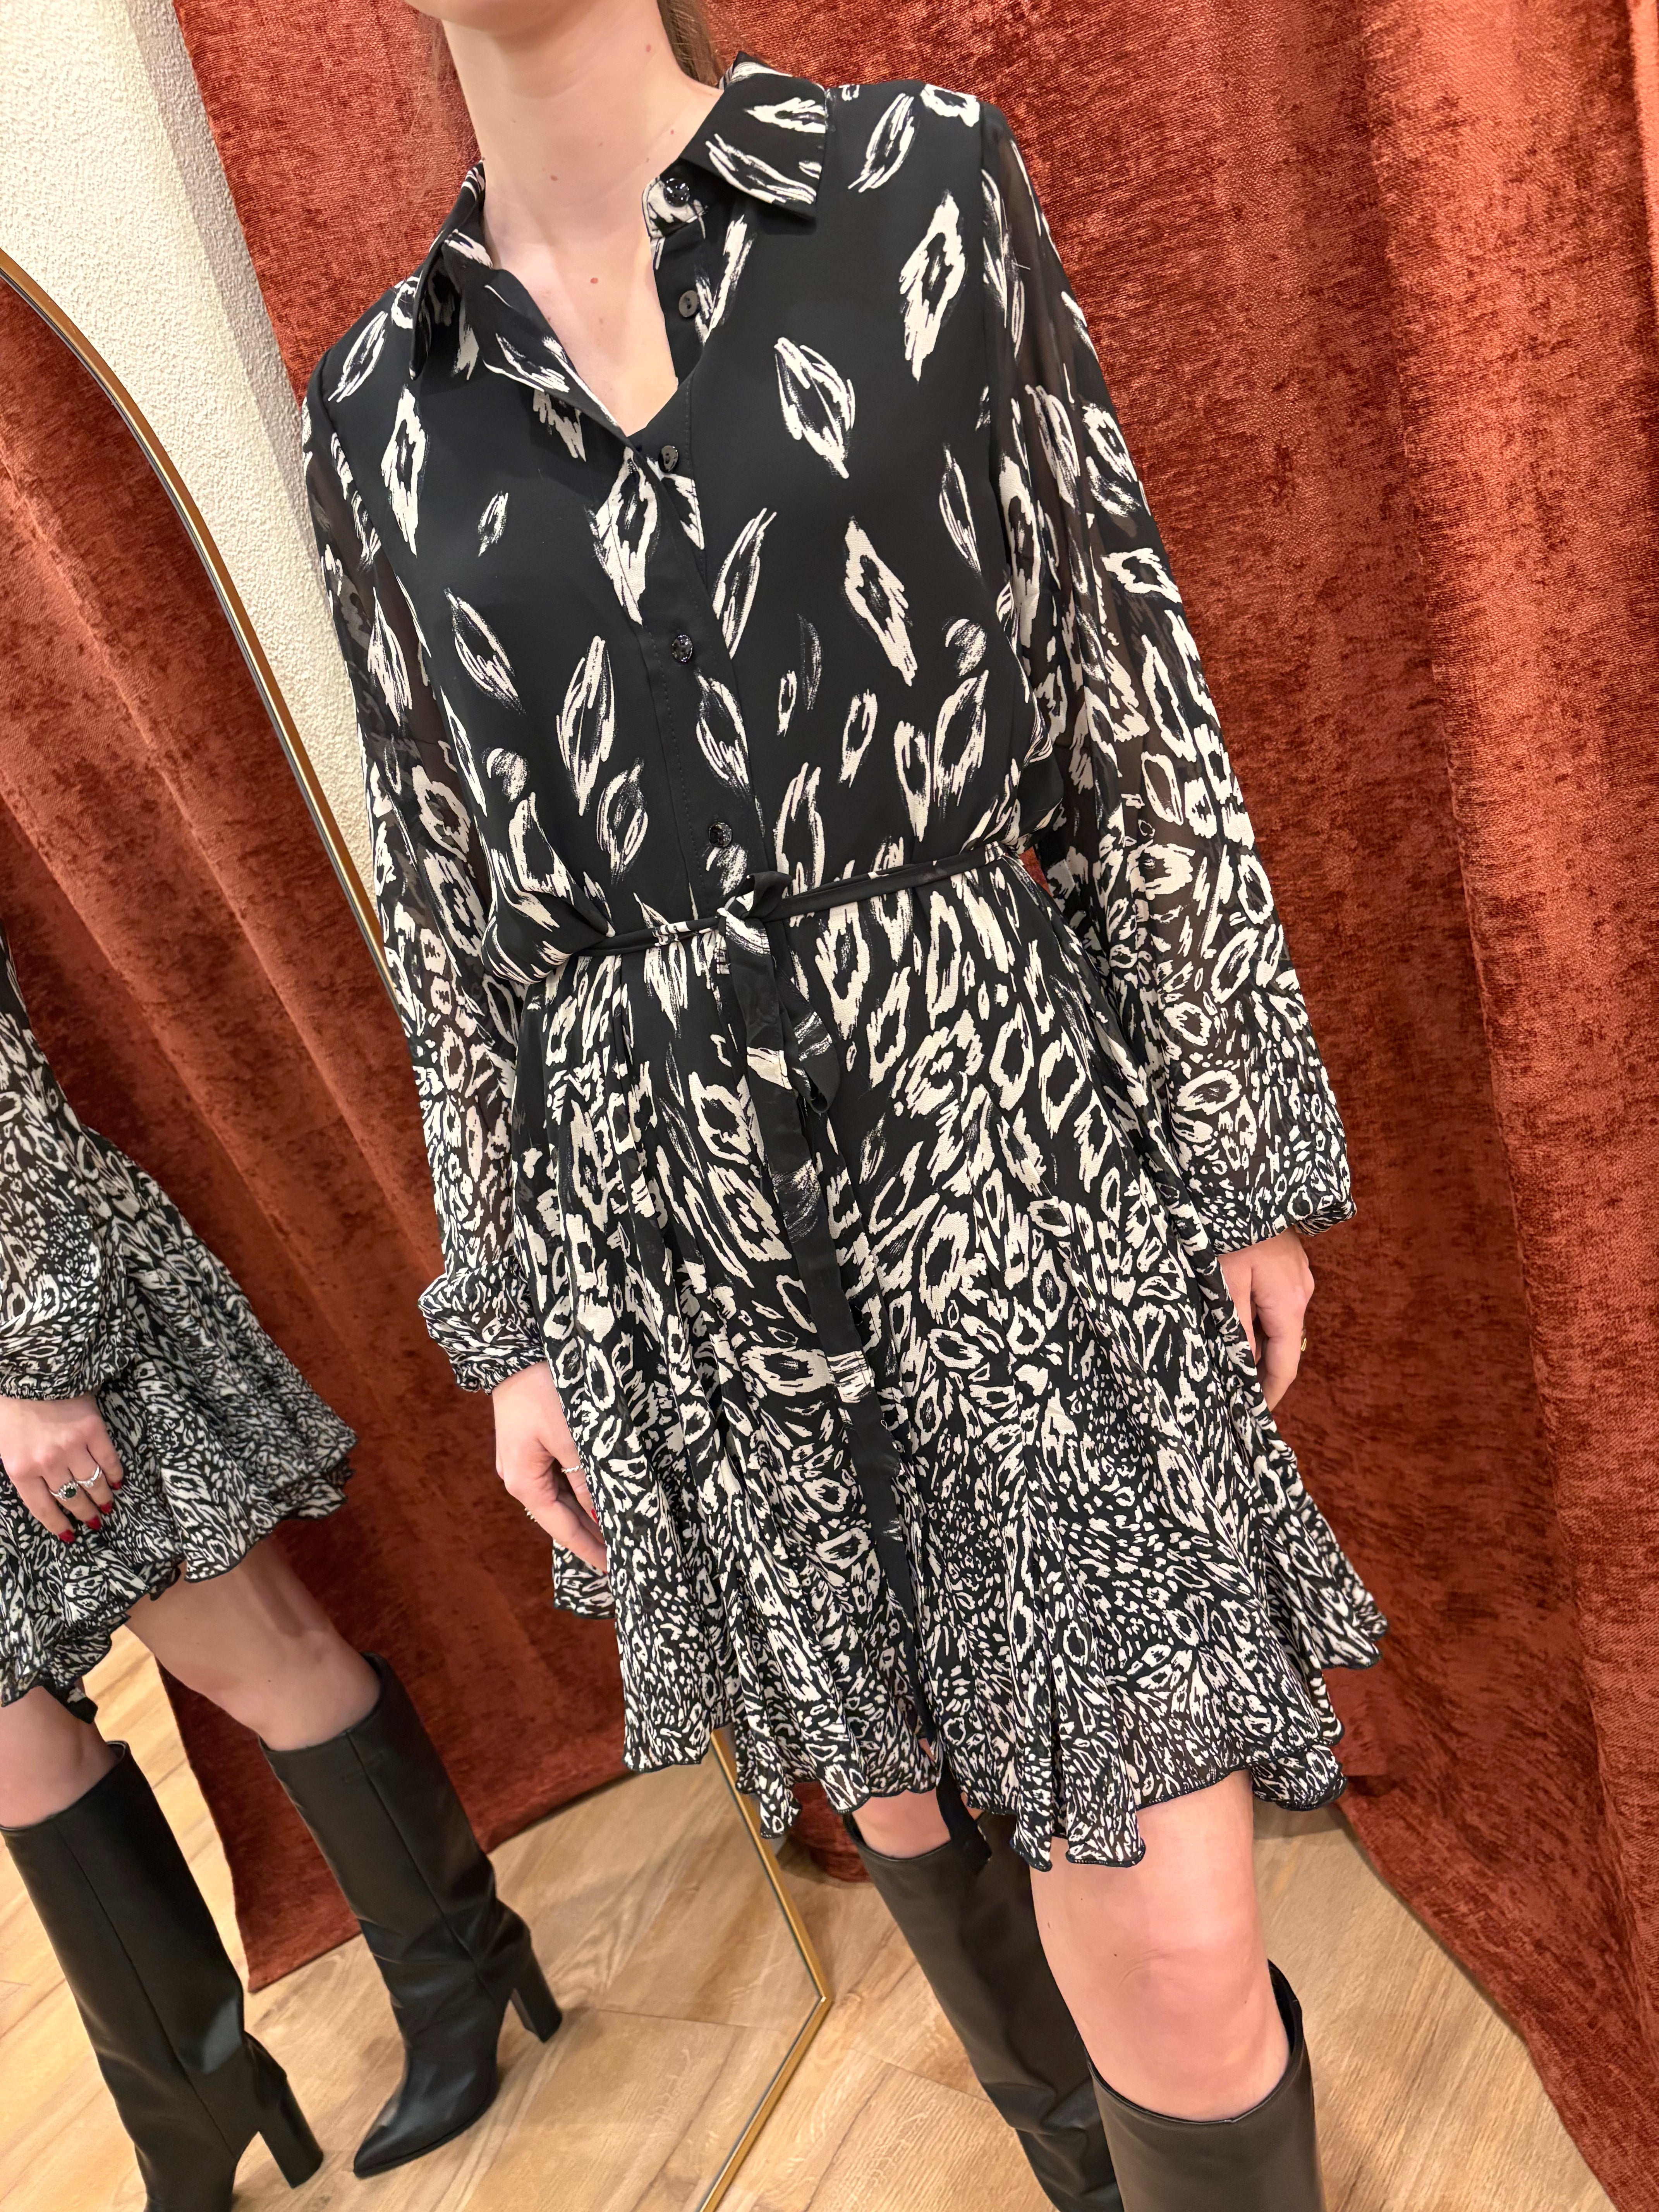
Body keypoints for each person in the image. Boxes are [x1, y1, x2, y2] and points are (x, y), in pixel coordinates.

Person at [304, 5, 1386, 2204]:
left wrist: (1234, 1153)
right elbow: (442, 906)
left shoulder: (918, 188)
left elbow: (1121, 696)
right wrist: (512, 1321)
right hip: (662, 1222)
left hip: (997, 1143)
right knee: (906, 1814)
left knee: (1177, 1936)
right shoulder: (375, 409)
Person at [0, 920, 557, 2210]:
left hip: (42, 1337)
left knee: (259, 1655)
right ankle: (193, 2102)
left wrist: (39, 1363)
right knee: (15, 1754)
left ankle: (461, 1966)